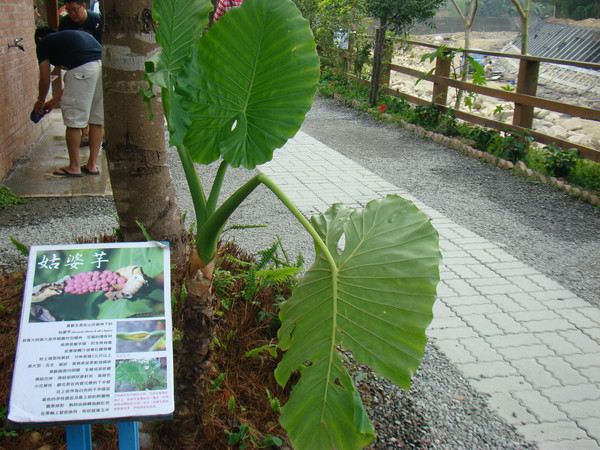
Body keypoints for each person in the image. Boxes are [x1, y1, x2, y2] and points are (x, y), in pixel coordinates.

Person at [34, 27, 103, 177]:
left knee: (73, 120)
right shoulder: (69, 40)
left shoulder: (43, 43)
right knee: (96, 119)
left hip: (84, 68)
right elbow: (77, 82)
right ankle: (92, 165)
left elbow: (45, 80)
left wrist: (40, 101)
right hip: (101, 66)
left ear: (39, 39)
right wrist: (53, 101)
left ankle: (74, 166)